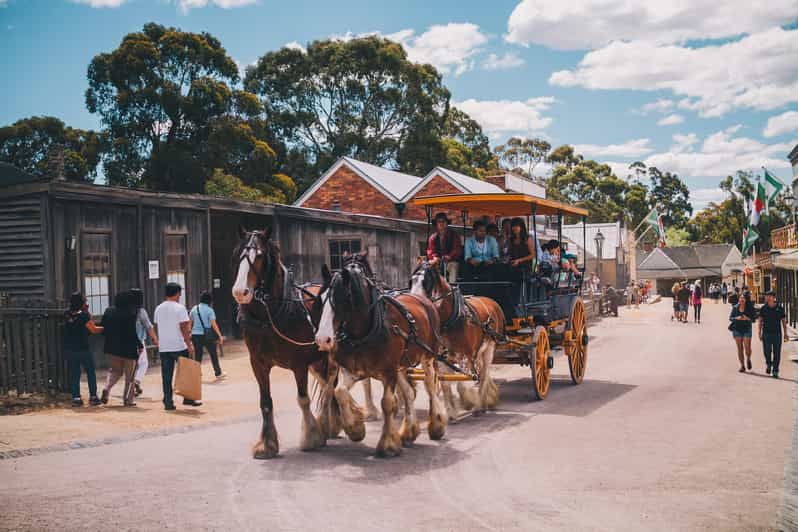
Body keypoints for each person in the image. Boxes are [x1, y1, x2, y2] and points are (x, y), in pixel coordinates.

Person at [154, 282, 199, 410]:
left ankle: (168, 401)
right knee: (185, 373)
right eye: (180, 293)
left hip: (164, 347)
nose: (180, 295)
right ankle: (188, 398)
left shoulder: (158, 308)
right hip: (179, 345)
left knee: (166, 375)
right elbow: (184, 327)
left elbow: (158, 325)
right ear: (177, 293)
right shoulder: (180, 308)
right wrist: (189, 344)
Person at [99, 291, 142, 407]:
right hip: (128, 350)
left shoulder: (108, 311)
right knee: (130, 376)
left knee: (115, 371)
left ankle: (106, 389)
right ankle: (128, 400)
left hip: (111, 348)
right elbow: (132, 333)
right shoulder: (131, 313)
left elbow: (103, 327)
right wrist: (140, 345)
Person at [63, 292, 103, 407]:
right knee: (90, 372)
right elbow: (94, 330)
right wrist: (106, 327)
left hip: (70, 349)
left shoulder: (66, 314)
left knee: (75, 374)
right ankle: (93, 397)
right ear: (81, 303)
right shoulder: (84, 316)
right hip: (83, 349)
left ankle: (76, 398)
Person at [190, 291, 226, 380]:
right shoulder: (210, 310)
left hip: (195, 335)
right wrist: (220, 335)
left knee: (197, 355)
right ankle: (218, 373)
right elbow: (213, 324)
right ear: (210, 300)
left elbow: (190, 322)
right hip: (207, 335)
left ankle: (196, 374)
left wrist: (189, 333)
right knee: (213, 354)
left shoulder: (194, 309)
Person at [130, 288, 158, 397]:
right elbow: (149, 327)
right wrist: (155, 339)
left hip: (125, 341)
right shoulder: (140, 311)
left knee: (131, 365)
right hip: (139, 342)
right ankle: (136, 382)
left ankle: (131, 386)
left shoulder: (126, 310)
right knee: (143, 363)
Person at [758, 290, 788, 378]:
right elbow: (760, 320)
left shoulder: (780, 308)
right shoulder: (763, 308)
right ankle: (768, 364)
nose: (767, 297)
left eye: (769, 296)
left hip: (777, 334)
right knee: (766, 351)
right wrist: (759, 332)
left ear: (773, 297)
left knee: (777, 353)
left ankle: (775, 370)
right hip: (766, 333)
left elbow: (783, 321)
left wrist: (785, 333)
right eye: (766, 296)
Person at [426, 212, 462, 284]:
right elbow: (431, 251)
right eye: (439, 222)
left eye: (443, 221)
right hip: (438, 262)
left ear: (446, 223)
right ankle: (432, 288)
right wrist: (435, 257)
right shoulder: (433, 237)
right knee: (429, 266)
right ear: (436, 224)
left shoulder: (454, 235)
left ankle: (452, 288)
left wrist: (449, 256)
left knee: (454, 266)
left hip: (450, 262)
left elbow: (457, 249)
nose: (441, 224)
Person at [730, 291, 757, 372]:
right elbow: (731, 318)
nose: (741, 299)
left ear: (746, 300)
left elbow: (754, 319)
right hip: (737, 329)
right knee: (740, 348)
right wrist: (736, 318)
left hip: (747, 328)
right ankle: (742, 365)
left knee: (747, 348)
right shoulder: (735, 307)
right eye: (740, 298)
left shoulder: (750, 308)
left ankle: (748, 358)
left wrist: (747, 318)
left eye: (743, 298)